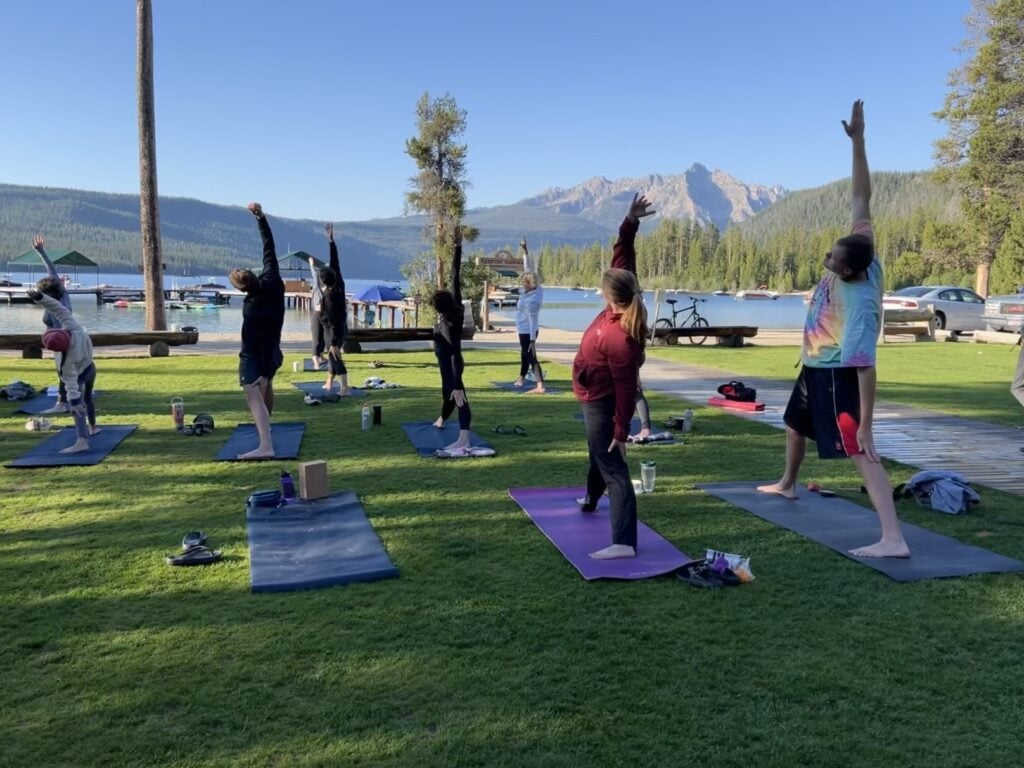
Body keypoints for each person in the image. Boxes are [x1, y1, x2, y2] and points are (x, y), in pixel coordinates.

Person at [757, 100, 909, 559]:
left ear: (846, 272)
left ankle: (893, 538)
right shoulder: (863, 246)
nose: (826, 261)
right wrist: (859, 140)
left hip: (837, 375)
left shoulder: (859, 307)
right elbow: (862, 196)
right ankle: (787, 484)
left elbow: (866, 369)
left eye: (830, 262)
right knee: (793, 424)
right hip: (814, 365)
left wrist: (866, 424)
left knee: (862, 452)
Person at [573, 193, 655, 560]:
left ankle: (624, 542)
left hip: (603, 400)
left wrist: (622, 431)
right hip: (594, 395)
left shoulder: (622, 336)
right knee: (595, 448)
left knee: (612, 464)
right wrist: (629, 221)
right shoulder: (619, 301)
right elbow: (622, 257)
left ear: (611, 296)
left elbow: (627, 389)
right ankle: (591, 498)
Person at [229, 202, 285, 460]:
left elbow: (255, 340)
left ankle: (266, 446)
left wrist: (260, 371)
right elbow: (269, 248)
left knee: (253, 395)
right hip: (273, 353)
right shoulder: (273, 280)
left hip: (258, 356)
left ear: (242, 290)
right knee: (267, 387)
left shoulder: (251, 308)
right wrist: (261, 218)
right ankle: (267, 429)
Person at [27, 291, 98, 454]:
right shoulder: (75, 328)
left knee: (78, 406)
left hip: (80, 372)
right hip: (90, 367)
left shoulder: (65, 362)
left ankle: (82, 440)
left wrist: (73, 403)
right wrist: (40, 298)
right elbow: (59, 308)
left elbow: (71, 384)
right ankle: (93, 428)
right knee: (87, 398)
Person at [431, 227, 473, 454]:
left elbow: (456, 353)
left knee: (459, 397)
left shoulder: (447, 325)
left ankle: (464, 438)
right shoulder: (455, 307)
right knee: (447, 396)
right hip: (447, 366)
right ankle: (441, 419)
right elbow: (455, 276)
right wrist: (458, 247)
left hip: (451, 367)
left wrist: (457, 382)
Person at [32, 235, 73, 414]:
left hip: (62, 338)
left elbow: (62, 327)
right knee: (64, 370)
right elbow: (51, 269)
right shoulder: (58, 289)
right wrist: (41, 251)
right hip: (59, 338)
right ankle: (67, 399)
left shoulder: (58, 307)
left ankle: (63, 402)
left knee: (63, 370)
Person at [315, 222, 350, 394]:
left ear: (322, 281)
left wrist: (334, 342)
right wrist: (331, 242)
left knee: (335, 355)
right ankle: (329, 382)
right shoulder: (339, 284)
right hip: (340, 328)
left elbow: (333, 320)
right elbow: (336, 262)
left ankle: (344, 387)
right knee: (331, 356)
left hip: (333, 331)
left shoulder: (329, 297)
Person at [514, 239, 545, 393]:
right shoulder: (536, 289)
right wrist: (525, 251)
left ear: (528, 284)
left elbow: (533, 322)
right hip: (524, 330)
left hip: (528, 331)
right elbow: (528, 269)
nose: (522, 285)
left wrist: (532, 340)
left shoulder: (532, 300)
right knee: (524, 354)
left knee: (531, 356)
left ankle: (540, 385)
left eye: (523, 283)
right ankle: (521, 377)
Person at [307, 243, 326, 371]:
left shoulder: (328, 289)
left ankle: (321, 356)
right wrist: (311, 265)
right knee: (316, 340)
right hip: (317, 315)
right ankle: (316, 362)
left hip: (325, 316)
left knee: (323, 339)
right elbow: (314, 275)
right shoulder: (317, 288)